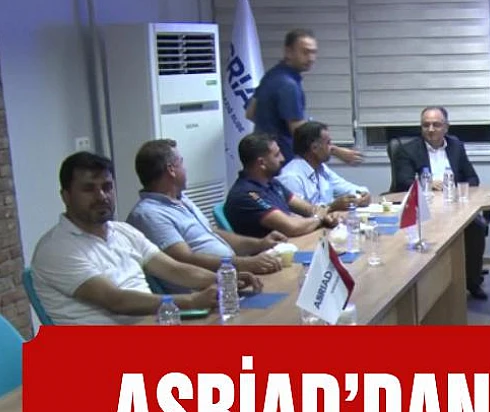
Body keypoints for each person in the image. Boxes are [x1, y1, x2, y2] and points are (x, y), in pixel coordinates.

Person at [31, 152, 261, 325]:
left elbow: (175, 270)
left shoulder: (123, 232)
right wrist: (191, 302)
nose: (101, 196)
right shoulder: (56, 248)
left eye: (107, 187)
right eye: (89, 189)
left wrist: (225, 279)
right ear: (66, 196)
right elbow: (116, 300)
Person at [126, 139, 286, 293]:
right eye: (181, 162)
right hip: (206, 294)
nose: (185, 169)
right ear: (171, 170)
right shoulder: (149, 214)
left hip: (231, 279)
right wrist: (246, 264)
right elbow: (185, 259)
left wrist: (260, 244)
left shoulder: (181, 199)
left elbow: (212, 233)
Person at [388, 106, 490, 300]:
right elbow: (403, 182)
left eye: (436, 125)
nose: (431, 129)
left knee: (476, 227)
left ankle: (472, 281)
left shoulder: (456, 146)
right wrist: (427, 184)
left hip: (455, 206)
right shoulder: (407, 149)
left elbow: (472, 178)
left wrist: (453, 186)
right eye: (425, 125)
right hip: (424, 208)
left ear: (446, 127)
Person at [247, 28, 363, 166]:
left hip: (265, 161)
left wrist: (271, 126)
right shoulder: (288, 85)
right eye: (305, 52)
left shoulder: (271, 75)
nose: (311, 58)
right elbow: (300, 133)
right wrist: (337, 151)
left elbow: (250, 113)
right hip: (282, 163)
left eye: (314, 52)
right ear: (288, 52)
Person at [224, 133, 342, 238]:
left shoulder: (272, 183)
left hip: (292, 244)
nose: (282, 158)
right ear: (262, 163)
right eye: (277, 155)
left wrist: (326, 215)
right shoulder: (247, 195)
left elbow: (309, 209)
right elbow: (291, 227)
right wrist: (320, 218)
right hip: (268, 253)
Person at [278, 121, 371, 210]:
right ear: (314, 148)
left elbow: (350, 189)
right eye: (328, 143)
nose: (332, 149)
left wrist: (363, 195)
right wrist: (332, 207)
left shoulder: (321, 168)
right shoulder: (291, 177)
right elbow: (299, 214)